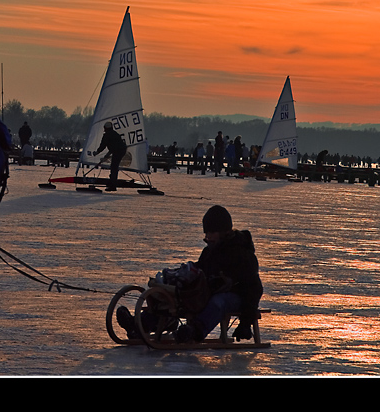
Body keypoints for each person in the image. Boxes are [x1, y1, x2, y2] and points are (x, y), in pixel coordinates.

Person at [117, 205, 263, 343]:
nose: (208, 236)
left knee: (218, 302)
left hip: (237, 297)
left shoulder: (242, 255)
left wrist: (245, 323)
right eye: (206, 233)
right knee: (179, 295)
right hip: (208, 292)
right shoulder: (209, 251)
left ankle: (194, 331)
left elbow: (254, 289)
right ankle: (141, 324)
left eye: (212, 232)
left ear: (224, 232)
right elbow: (200, 271)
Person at [95, 121, 128, 191]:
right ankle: (112, 181)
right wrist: (107, 154)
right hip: (121, 150)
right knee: (114, 166)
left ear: (105, 128)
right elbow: (114, 146)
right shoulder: (115, 134)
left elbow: (103, 146)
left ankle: (113, 185)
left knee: (114, 167)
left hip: (118, 151)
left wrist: (97, 152)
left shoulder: (107, 135)